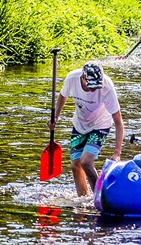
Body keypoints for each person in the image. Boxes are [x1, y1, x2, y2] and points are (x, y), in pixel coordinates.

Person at [46, 62, 124, 197]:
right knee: (75, 166)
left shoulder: (107, 87)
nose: (94, 90)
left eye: (96, 87)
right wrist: (55, 117)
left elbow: (118, 122)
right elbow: (62, 96)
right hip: (80, 124)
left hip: (101, 124)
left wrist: (117, 152)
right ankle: (83, 199)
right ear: (82, 77)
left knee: (86, 162)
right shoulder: (72, 78)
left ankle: (100, 198)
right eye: (91, 87)